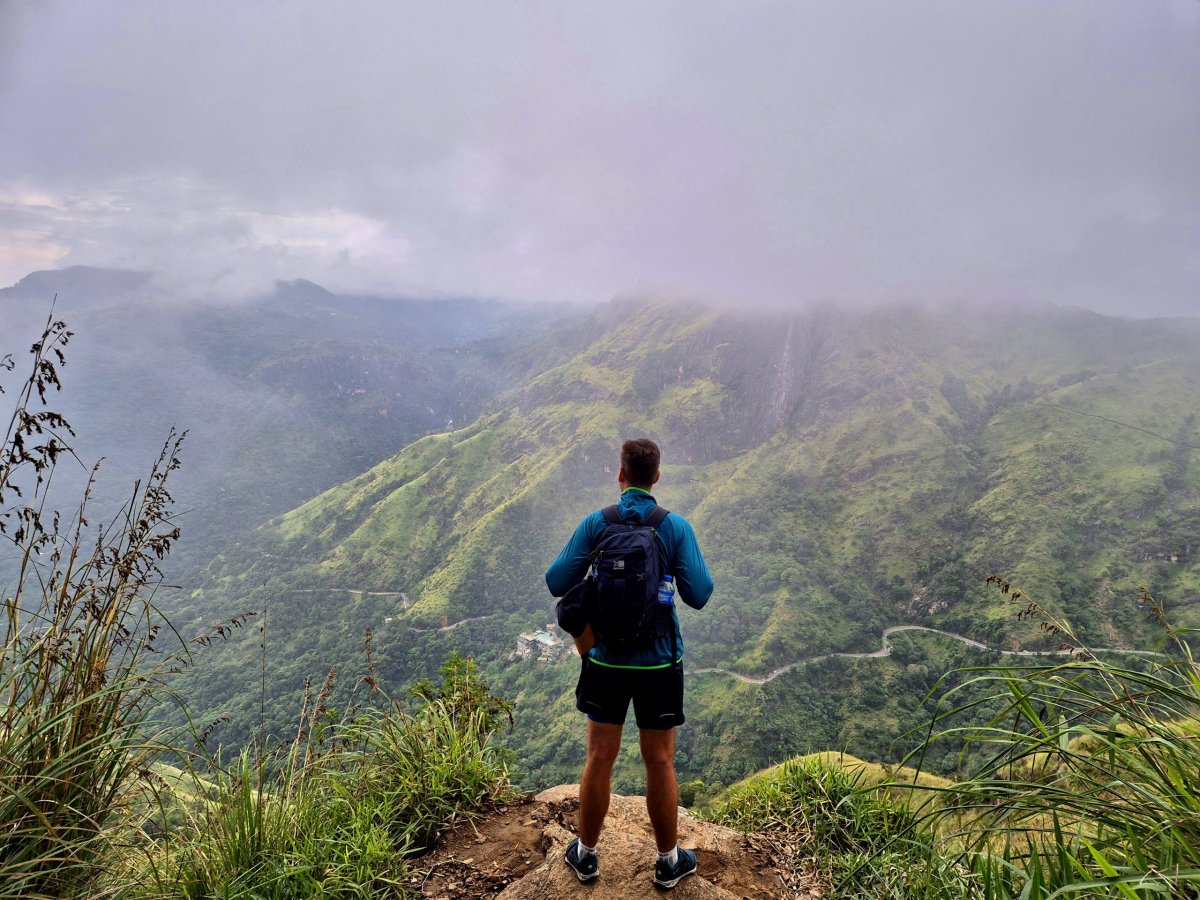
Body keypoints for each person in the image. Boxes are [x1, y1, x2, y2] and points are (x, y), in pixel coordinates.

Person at [545, 438, 713, 889]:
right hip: (659, 662)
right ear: (656, 477)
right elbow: (700, 594)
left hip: (605, 661)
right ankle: (668, 861)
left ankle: (586, 855)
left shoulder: (597, 524)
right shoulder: (674, 527)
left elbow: (557, 580)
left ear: (620, 474)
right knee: (660, 760)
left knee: (599, 756)